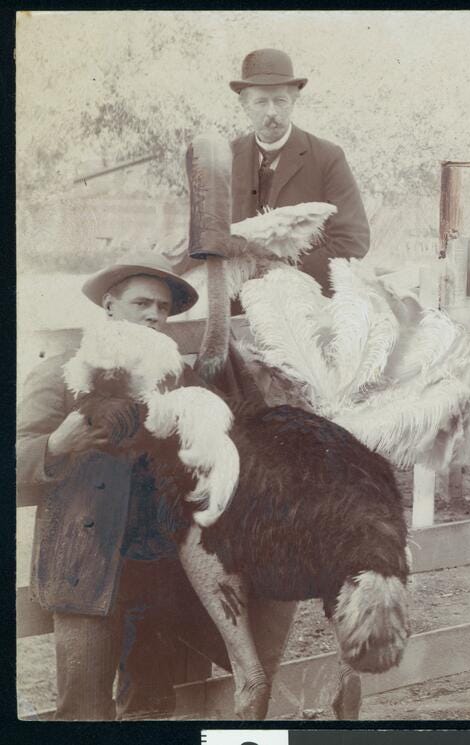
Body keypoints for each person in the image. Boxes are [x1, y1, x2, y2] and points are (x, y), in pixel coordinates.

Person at [16, 252, 211, 719]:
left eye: (163, 308)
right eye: (142, 303)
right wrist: (56, 443)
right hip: (86, 571)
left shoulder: (177, 379)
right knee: (84, 714)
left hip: (159, 570)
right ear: (109, 306)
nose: (154, 316)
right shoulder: (66, 370)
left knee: (151, 709)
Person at [176, 48, 370, 295]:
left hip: (304, 298)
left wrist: (283, 275)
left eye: (280, 101)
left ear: (294, 101)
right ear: (244, 105)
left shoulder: (327, 156)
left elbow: (353, 240)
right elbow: (204, 238)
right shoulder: (225, 158)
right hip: (233, 298)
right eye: (260, 102)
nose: (271, 112)